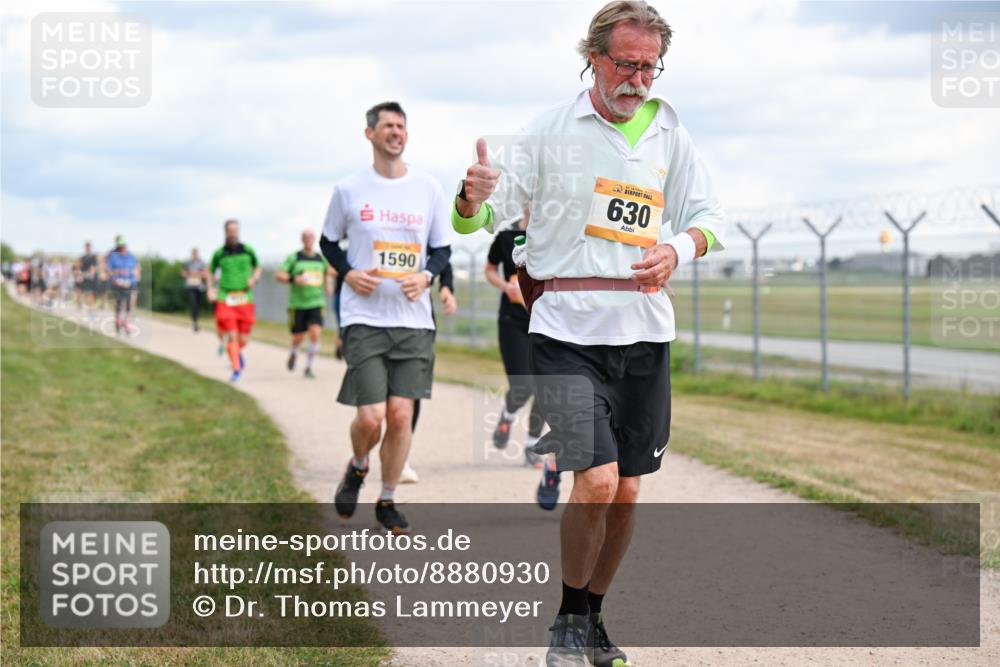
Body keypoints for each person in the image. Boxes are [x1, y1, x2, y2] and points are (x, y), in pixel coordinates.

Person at [451, 2, 725, 664]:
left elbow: (711, 217)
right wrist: (469, 197)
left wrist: (678, 250)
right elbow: (479, 217)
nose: (638, 78)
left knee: (628, 489)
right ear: (593, 58)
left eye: (650, 66)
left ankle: (592, 617)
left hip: (644, 334)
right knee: (597, 480)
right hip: (564, 332)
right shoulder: (548, 131)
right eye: (626, 63)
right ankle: (568, 623)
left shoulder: (670, 135)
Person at [320, 101, 454, 534]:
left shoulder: (428, 188)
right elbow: (328, 242)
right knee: (371, 417)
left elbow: (442, 248)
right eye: (388, 126)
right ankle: (358, 466)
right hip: (363, 316)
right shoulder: (348, 189)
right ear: (370, 135)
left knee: (400, 415)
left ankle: (387, 500)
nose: (396, 132)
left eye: (401, 126)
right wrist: (349, 272)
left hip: (414, 320)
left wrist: (428, 276)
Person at [484, 207, 560, 510]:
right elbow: (489, 270)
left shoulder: (554, 234)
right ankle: (508, 415)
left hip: (544, 320)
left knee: (543, 387)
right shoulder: (506, 238)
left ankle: (531, 445)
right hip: (513, 322)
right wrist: (505, 286)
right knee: (522, 385)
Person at [207, 219, 261, 382]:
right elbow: (210, 271)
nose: (233, 233)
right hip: (225, 297)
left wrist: (254, 278)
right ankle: (236, 369)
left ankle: (235, 351)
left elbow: (258, 267)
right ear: (225, 232)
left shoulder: (248, 250)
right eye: (230, 231)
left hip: (245, 298)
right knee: (232, 336)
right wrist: (210, 289)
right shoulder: (219, 253)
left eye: (235, 230)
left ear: (239, 232)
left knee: (243, 339)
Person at [276, 229, 335, 379]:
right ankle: (294, 352)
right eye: (306, 237)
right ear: (302, 240)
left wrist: (328, 284)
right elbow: (279, 275)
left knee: (315, 333)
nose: (309, 240)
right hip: (298, 304)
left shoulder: (320, 259)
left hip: (316, 302)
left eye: (311, 237)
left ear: (314, 239)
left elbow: (328, 272)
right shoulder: (294, 258)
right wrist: (293, 279)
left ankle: (309, 367)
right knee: (299, 337)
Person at [106, 236, 141, 335]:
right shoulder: (113, 257)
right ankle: (117, 322)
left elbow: (137, 269)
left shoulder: (131, 257)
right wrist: (115, 278)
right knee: (119, 305)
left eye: (123, 246)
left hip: (130, 283)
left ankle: (126, 323)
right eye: (120, 247)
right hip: (117, 284)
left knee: (129, 306)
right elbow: (109, 270)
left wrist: (135, 276)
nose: (122, 248)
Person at [182, 248, 207, 332]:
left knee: (198, 305)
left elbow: (205, 274)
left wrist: (198, 273)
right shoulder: (187, 263)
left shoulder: (201, 263)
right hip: (190, 286)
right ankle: (194, 321)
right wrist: (189, 273)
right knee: (193, 304)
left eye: (196, 253)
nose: (194, 255)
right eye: (193, 253)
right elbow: (183, 273)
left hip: (199, 286)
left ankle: (197, 321)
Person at [76, 242, 99, 316]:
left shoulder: (93, 256)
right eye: (87, 247)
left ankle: (91, 308)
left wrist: (92, 272)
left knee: (91, 294)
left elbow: (95, 267)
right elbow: (79, 267)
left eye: (89, 247)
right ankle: (89, 309)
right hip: (85, 277)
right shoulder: (82, 257)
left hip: (92, 278)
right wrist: (80, 274)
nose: (88, 248)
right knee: (87, 293)